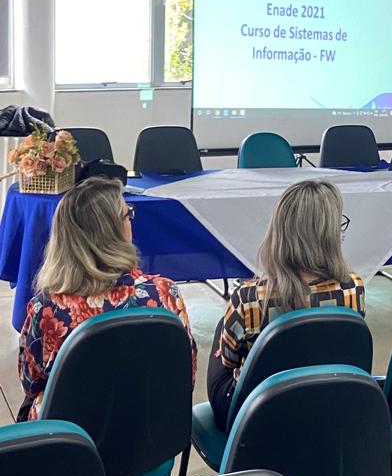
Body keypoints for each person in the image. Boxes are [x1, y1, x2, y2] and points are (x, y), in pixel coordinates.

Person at [17, 176, 196, 421]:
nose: (131, 221)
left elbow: (30, 383)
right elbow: (186, 374)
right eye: (127, 214)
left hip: (70, 445)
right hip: (148, 442)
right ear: (111, 231)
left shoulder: (46, 309)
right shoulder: (164, 294)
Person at [207, 178, 365, 430]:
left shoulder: (248, 298)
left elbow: (227, 361)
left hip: (255, 418)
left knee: (222, 333)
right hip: (326, 407)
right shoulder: (353, 287)